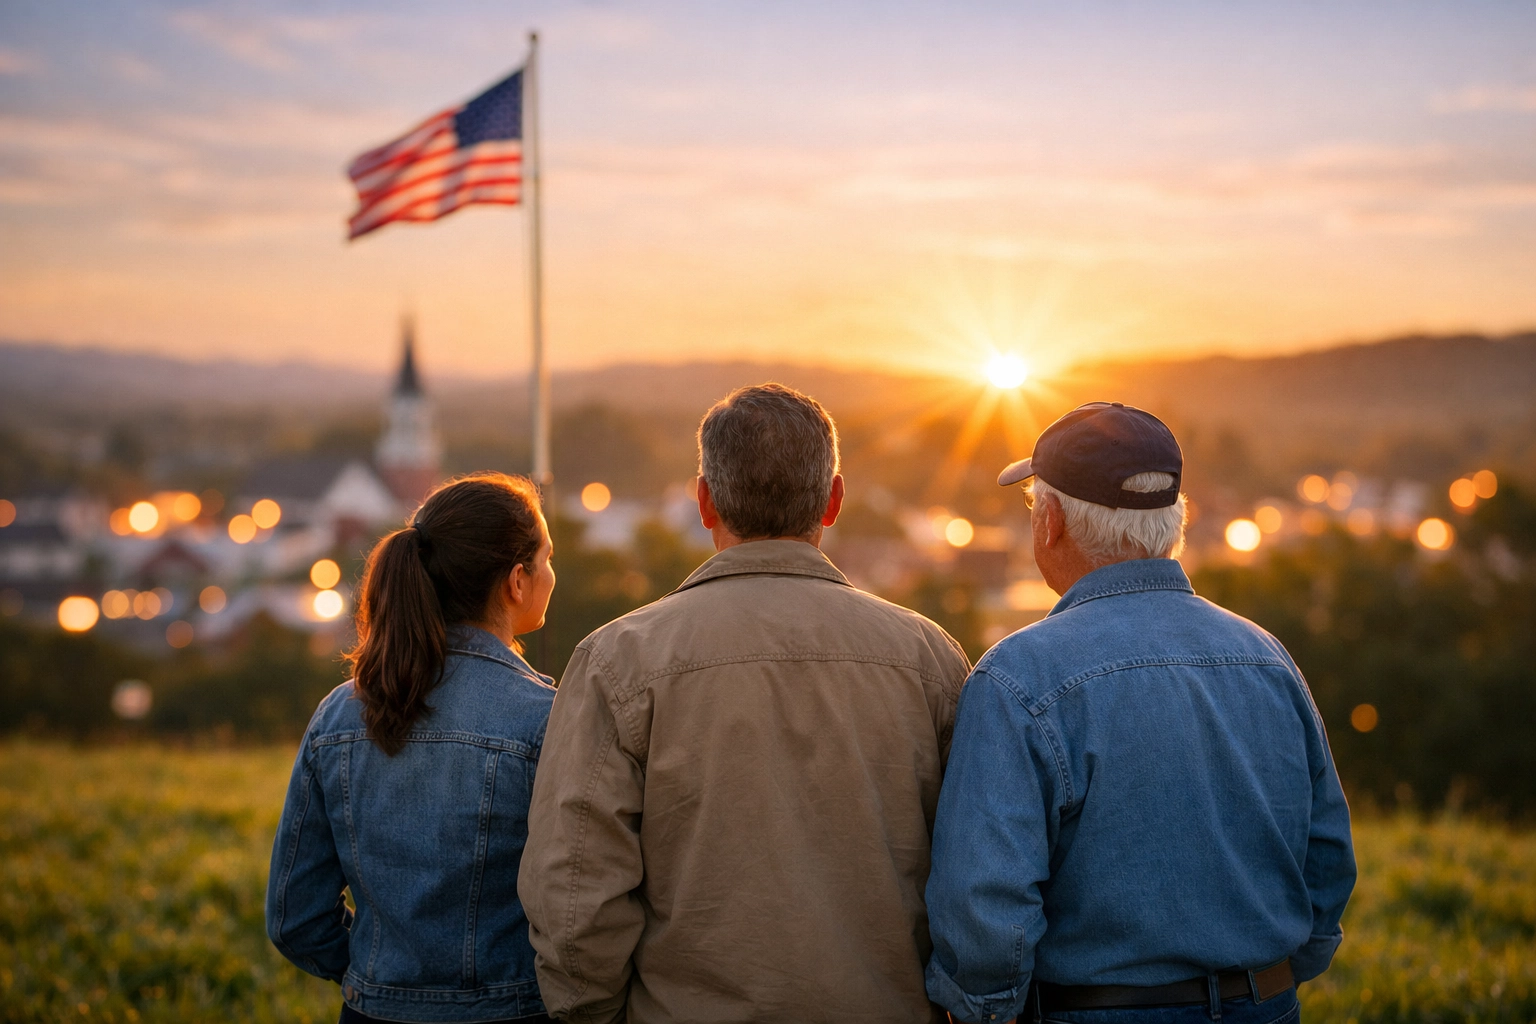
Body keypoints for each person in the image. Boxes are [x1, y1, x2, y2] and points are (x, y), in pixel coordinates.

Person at [519, 383, 971, 1023]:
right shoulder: (929, 659)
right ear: (834, 499)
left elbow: (574, 894)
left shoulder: (617, 661)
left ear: (703, 500)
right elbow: (976, 875)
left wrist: (591, 1013)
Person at [924, 402, 1356, 1024]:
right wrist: (1272, 979)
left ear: (1049, 522)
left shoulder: (1018, 678)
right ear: (1172, 523)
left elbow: (984, 907)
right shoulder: (1267, 659)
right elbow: (1327, 859)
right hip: (1265, 1008)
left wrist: (984, 1011)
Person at [267, 472, 558, 1024]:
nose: (551, 573)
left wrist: (379, 973)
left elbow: (294, 919)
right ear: (517, 581)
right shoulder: (545, 718)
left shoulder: (339, 713)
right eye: (546, 557)